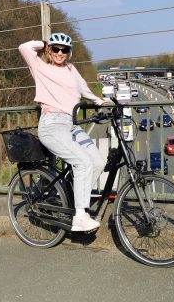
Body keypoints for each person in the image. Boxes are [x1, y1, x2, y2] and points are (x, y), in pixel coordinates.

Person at [19, 32, 107, 232]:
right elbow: (24, 47)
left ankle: (74, 197)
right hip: (52, 124)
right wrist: (44, 43)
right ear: (50, 50)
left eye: (64, 50)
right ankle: (80, 216)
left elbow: (83, 88)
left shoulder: (70, 69)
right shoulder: (40, 67)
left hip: (72, 124)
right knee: (82, 162)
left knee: (98, 161)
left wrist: (98, 101)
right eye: (56, 48)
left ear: (69, 53)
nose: (60, 53)